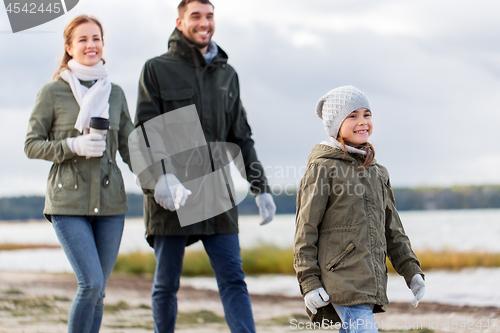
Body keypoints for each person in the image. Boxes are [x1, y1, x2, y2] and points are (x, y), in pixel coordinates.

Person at [134, 0, 276, 332]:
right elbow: (144, 134)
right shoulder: (156, 69)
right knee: (166, 284)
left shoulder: (228, 74)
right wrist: (161, 179)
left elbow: (241, 137)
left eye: (209, 16)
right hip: (173, 197)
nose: (204, 22)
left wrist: (261, 188)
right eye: (195, 16)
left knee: (233, 279)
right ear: (180, 22)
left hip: (217, 196)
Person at [24, 15, 135, 333]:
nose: (91, 45)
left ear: (103, 45)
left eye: (96, 38)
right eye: (83, 39)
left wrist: (160, 179)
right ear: (69, 47)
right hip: (67, 203)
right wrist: (73, 145)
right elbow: (31, 145)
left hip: (111, 204)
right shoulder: (52, 93)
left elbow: (131, 148)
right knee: (90, 283)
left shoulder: (115, 94)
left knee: (99, 293)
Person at [293, 85, 425, 332]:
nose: (362, 122)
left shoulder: (377, 172)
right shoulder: (322, 168)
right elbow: (305, 229)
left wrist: (411, 271)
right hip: (339, 278)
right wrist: (309, 282)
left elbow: (393, 230)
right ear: (336, 124)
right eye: (352, 115)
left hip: (369, 279)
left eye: (367, 114)